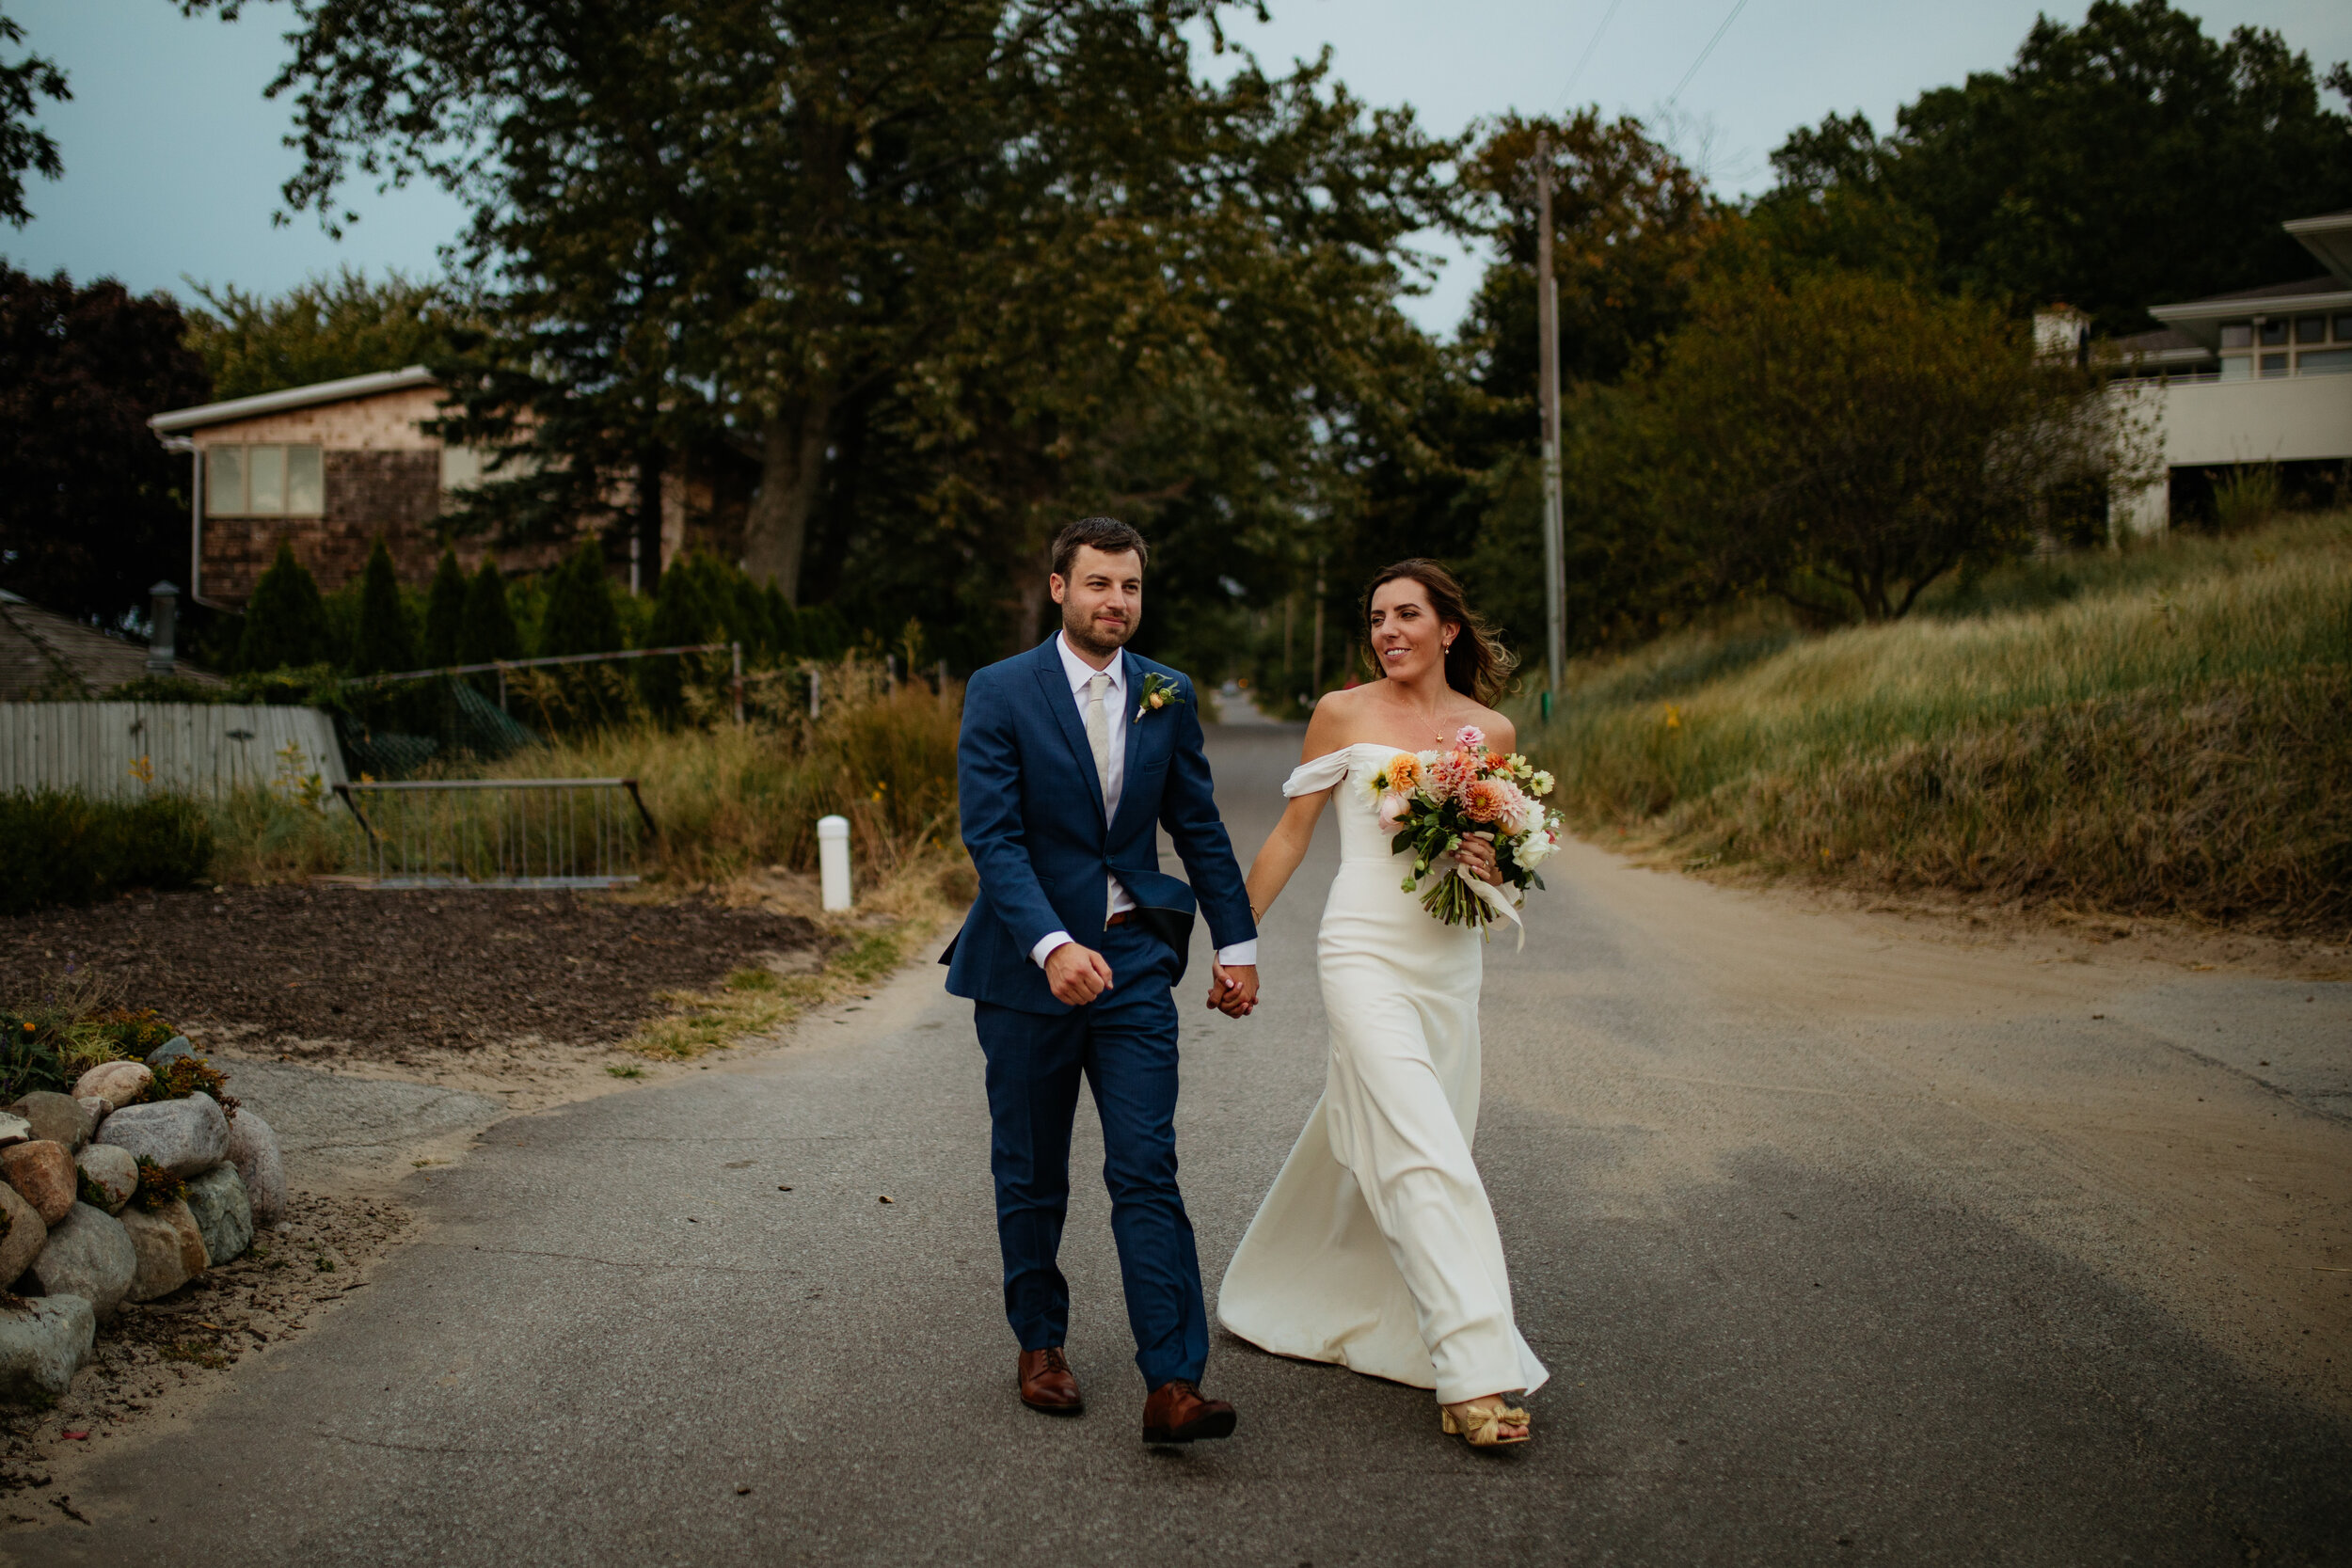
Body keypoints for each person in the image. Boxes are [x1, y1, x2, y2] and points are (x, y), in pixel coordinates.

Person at [943, 515, 1262, 1445]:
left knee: (1146, 1167)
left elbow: (1196, 825)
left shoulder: (1167, 691)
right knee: (1034, 1171)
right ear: (1058, 588)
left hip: (1130, 966)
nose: (1115, 601)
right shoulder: (1001, 691)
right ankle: (1040, 1343)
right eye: (1097, 585)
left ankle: (1173, 1380)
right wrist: (1049, 942)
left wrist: (1234, 944)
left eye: (1128, 586)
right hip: (1026, 968)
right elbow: (992, 836)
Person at [1216, 558, 1549, 1448]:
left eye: (1408, 614)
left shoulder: (1493, 731)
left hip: (1450, 960)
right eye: (1376, 618)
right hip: (1360, 948)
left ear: (1449, 629)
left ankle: (1310, 1282)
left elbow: (1501, 857)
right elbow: (1293, 833)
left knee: (1414, 1137)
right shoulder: (1342, 713)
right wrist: (1236, 939)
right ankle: (1475, 1375)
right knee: (1425, 1148)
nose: (1389, 631)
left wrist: (1492, 864)